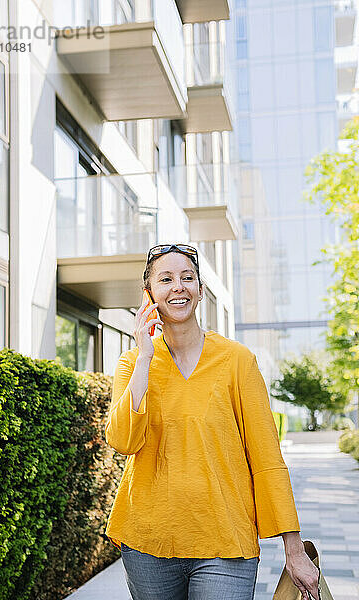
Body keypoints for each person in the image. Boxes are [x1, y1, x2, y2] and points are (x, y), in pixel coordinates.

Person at [104, 243, 320, 600]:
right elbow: (123, 440)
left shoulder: (238, 361)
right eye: (166, 279)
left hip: (226, 543)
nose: (178, 287)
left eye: (188, 278)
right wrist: (144, 356)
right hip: (148, 543)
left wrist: (293, 549)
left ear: (201, 290)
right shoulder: (132, 364)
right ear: (149, 295)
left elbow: (267, 459)